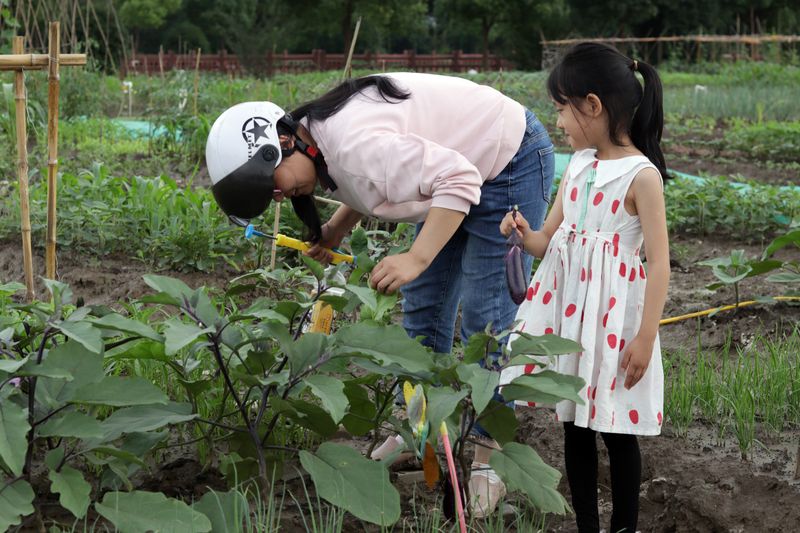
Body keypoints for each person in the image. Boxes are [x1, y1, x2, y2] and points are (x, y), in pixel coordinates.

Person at [205, 72, 555, 517]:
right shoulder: (322, 141)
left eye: (275, 182)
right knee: (423, 310)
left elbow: (457, 179)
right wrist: (336, 228)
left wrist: (417, 257)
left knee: (486, 318)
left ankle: (489, 456)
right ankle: (419, 433)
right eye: (270, 194)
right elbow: (374, 183)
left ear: (285, 141)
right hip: (451, 171)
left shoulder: (353, 148)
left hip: (507, 160)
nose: (279, 196)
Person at [498, 43, 669, 533]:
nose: (559, 122)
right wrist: (523, 232)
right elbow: (545, 241)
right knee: (573, 422)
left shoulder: (642, 177)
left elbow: (659, 264)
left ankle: (624, 527)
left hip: (614, 323)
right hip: (572, 317)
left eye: (561, 109)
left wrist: (646, 335)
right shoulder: (574, 164)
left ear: (592, 106)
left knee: (614, 431)